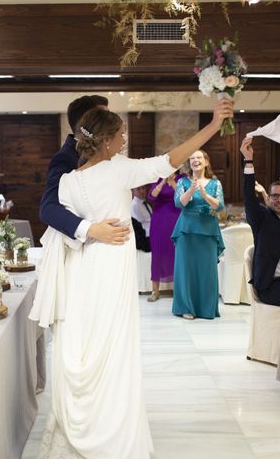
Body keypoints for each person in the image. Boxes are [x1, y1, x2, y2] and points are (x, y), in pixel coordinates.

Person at [32, 100, 234, 458]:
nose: (124, 141)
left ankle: (86, 422)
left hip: (82, 268)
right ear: (107, 141)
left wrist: (87, 231)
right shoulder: (118, 169)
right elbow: (170, 160)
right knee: (115, 345)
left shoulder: (69, 181)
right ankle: (112, 432)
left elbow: (54, 214)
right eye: (121, 135)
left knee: (86, 343)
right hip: (110, 269)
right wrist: (214, 125)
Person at [39, 95, 130, 246]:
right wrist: (91, 229)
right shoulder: (65, 157)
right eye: (103, 117)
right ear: (86, 123)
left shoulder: (108, 156)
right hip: (85, 246)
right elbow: (48, 208)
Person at [240, 138, 280, 307]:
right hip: (271, 285)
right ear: (269, 198)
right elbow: (248, 196)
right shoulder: (262, 219)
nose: (279, 200)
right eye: (274, 196)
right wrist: (248, 160)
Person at [171, 150, 225, 320]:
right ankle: (186, 307)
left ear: (206, 162)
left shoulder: (215, 183)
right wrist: (191, 189)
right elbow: (179, 203)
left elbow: (220, 205)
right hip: (186, 230)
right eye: (192, 158)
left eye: (199, 157)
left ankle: (206, 309)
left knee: (207, 270)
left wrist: (204, 194)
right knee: (185, 270)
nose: (195, 160)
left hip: (208, 230)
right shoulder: (183, 182)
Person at [146, 170, 184, 302]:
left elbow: (183, 196)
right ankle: (155, 291)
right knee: (157, 253)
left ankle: (179, 290)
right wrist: (163, 181)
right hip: (159, 221)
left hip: (177, 219)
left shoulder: (182, 178)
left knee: (178, 253)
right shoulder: (156, 178)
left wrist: (172, 182)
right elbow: (151, 196)